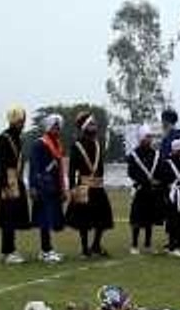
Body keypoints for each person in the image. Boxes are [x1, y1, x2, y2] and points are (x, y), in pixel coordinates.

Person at [65, 111, 114, 259]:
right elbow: (72, 168)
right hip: (83, 186)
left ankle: (96, 245)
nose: (95, 126)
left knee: (103, 218)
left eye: (95, 124)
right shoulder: (77, 145)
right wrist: (72, 187)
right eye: (91, 124)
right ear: (85, 127)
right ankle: (85, 249)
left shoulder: (98, 143)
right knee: (83, 220)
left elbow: (100, 166)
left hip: (98, 187)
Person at [28, 114, 67, 264]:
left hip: (54, 187)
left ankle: (48, 249)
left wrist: (62, 188)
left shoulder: (57, 144)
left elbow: (59, 169)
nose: (57, 129)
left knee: (50, 220)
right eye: (54, 127)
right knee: (44, 220)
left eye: (58, 127)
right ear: (48, 127)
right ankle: (45, 250)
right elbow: (34, 167)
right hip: (42, 187)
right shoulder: (40, 144)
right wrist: (33, 186)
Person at [0, 105, 31, 264]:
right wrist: (4, 184)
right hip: (9, 181)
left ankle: (7, 250)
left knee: (13, 217)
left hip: (17, 179)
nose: (24, 123)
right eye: (22, 120)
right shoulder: (4, 137)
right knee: (8, 217)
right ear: (16, 120)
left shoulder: (18, 137)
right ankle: (8, 252)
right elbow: (1, 163)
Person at [126, 124, 161, 255]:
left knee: (149, 220)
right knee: (137, 219)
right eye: (147, 137)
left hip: (152, 191)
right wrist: (143, 181)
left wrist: (157, 180)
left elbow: (158, 170)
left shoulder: (155, 154)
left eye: (150, 137)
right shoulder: (133, 155)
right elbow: (131, 172)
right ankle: (134, 244)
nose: (150, 139)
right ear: (141, 138)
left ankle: (148, 244)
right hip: (140, 190)